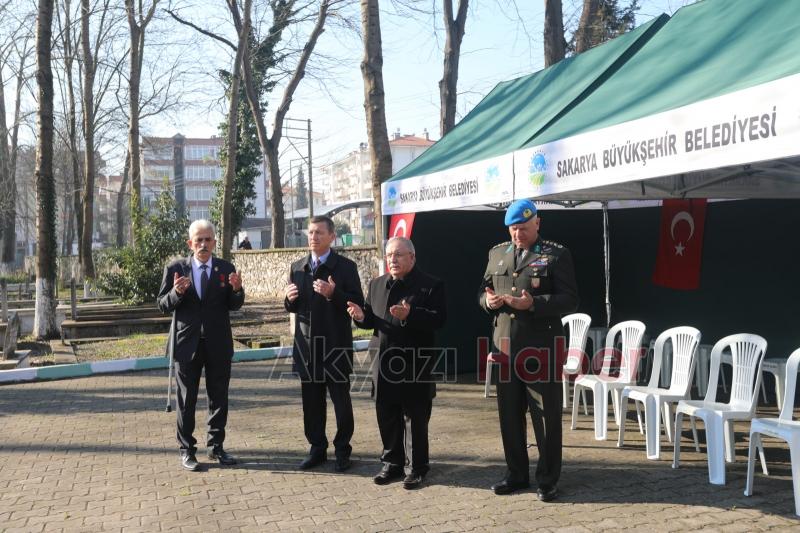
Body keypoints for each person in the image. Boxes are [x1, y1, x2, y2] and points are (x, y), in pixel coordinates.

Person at [478, 199, 578, 500]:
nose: (517, 235)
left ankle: (548, 478)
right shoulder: (497, 253)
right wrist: (488, 303)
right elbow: (482, 292)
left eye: (522, 228)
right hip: (505, 347)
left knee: (545, 416)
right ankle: (516, 474)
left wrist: (533, 304)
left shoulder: (556, 255)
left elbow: (570, 300)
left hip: (540, 348)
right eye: (512, 229)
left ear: (537, 222)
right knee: (508, 414)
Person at [346, 237, 446, 490]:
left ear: (412, 257)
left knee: (414, 416)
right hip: (383, 360)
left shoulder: (431, 285)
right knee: (387, 414)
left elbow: (439, 320)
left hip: (415, 361)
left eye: (398, 255)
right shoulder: (377, 284)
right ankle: (392, 463)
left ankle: (417, 467)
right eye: (389, 255)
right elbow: (371, 319)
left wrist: (411, 314)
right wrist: (360, 317)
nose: (393, 259)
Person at [158, 219, 245, 471]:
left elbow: (234, 304)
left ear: (215, 242)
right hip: (187, 344)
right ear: (190, 243)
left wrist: (237, 290)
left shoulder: (225, 267)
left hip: (218, 344)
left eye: (208, 240)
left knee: (219, 398)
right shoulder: (176, 269)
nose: (203, 244)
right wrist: (176, 293)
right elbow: (163, 305)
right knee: (187, 400)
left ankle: (216, 447)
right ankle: (187, 450)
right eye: (199, 240)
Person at [284, 215, 364, 472]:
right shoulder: (298, 267)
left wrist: (334, 294)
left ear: (332, 237)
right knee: (311, 403)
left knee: (341, 402)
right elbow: (295, 306)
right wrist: (288, 300)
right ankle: (317, 448)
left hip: (336, 344)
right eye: (310, 232)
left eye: (319, 232)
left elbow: (357, 304)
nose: (313, 237)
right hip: (307, 346)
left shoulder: (346, 268)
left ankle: (343, 450)